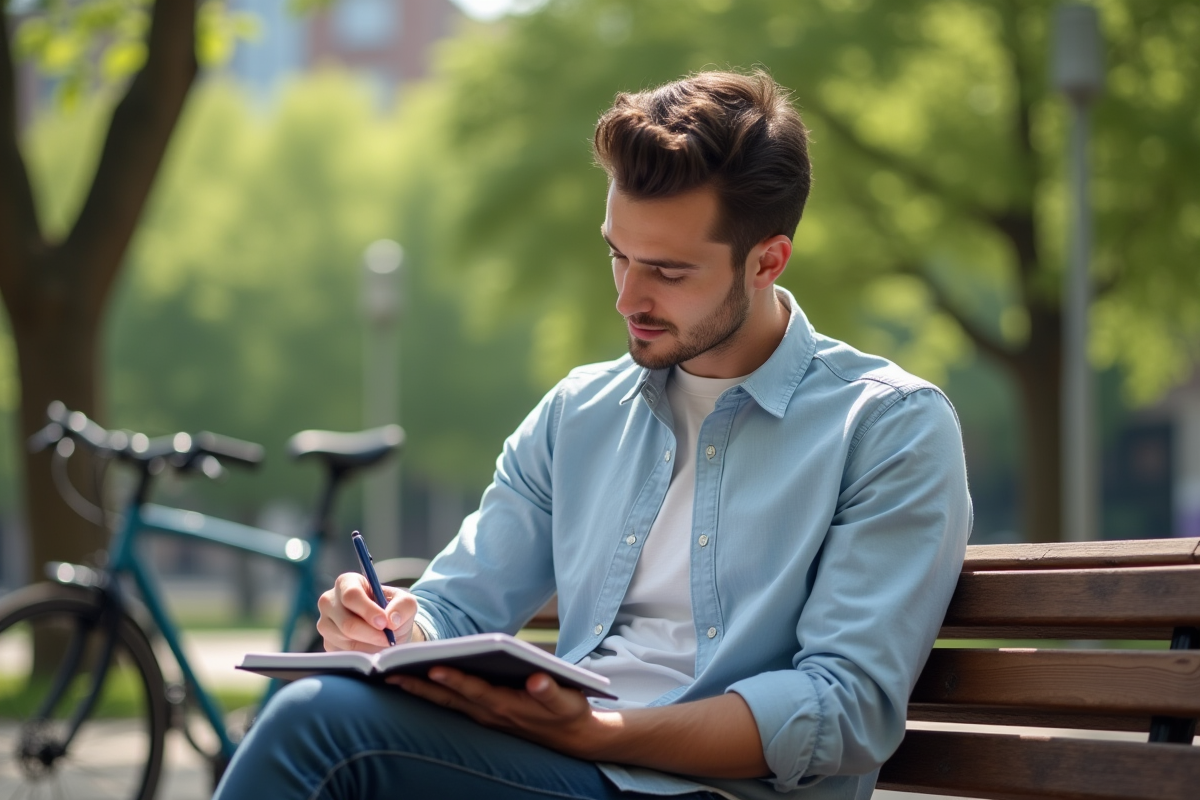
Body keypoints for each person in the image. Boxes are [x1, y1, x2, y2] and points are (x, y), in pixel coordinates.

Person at [214, 70, 971, 800]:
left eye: (670, 272)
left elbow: (841, 710)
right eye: (617, 254)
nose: (628, 297)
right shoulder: (580, 413)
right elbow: (459, 606)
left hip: (714, 789)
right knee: (322, 702)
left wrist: (602, 733)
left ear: (767, 260)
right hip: (559, 765)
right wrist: (392, 627)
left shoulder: (886, 428)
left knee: (317, 729)